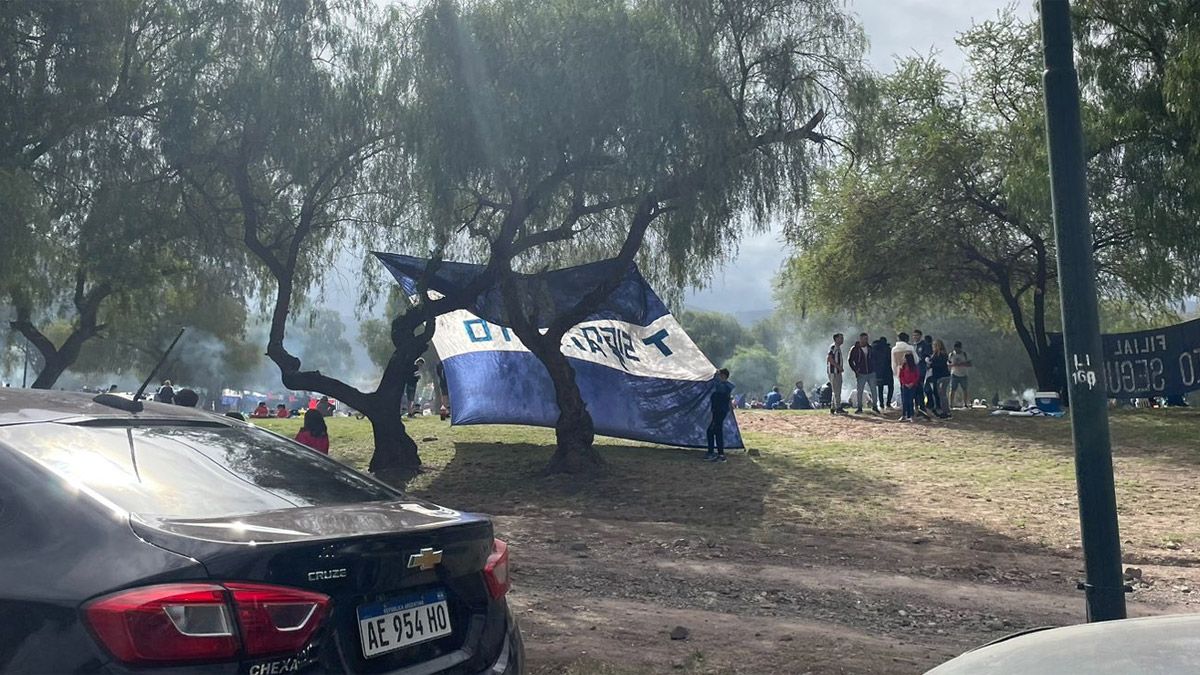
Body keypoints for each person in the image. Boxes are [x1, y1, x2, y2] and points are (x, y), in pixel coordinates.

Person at [705, 369, 735, 463]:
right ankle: (716, 454)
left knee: (714, 431)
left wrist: (715, 375)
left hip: (719, 412)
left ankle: (719, 455)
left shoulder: (724, 386)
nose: (718, 377)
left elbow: (715, 384)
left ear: (723, 376)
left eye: (720, 375)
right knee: (714, 431)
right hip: (719, 411)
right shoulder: (725, 386)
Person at [849, 332, 876, 414]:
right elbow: (850, 360)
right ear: (860, 339)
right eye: (864, 339)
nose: (866, 340)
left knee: (873, 390)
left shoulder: (870, 348)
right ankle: (859, 407)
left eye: (867, 339)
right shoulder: (855, 349)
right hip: (861, 373)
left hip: (871, 372)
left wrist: (874, 368)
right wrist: (855, 370)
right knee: (859, 391)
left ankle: (875, 406)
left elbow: (875, 359)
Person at [929, 339, 952, 418]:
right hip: (937, 376)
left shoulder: (942, 354)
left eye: (934, 346)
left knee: (942, 394)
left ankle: (946, 412)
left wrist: (931, 364)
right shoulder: (935, 354)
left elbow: (940, 365)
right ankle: (940, 409)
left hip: (943, 376)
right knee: (938, 393)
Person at [872, 336, 894, 410]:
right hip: (888, 370)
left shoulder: (874, 349)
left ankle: (881, 404)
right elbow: (891, 360)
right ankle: (888, 403)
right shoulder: (888, 349)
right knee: (891, 387)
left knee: (880, 388)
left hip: (878, 372)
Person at [826, 333, 846, 415]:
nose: (842, 339)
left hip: (837, 372)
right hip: (834, 372)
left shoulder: (837, 348)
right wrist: (838, 367)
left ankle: (833, 407)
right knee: (836, 390)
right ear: (836, 339)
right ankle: (838, 407)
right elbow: (829, 358)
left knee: (836, 390)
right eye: (840, 338)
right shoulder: (833, 347)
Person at [949, 342, 972, 409]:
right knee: (952, 389)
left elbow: (970, 364)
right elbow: (948, 363)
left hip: (963, 374)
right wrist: (953, 365)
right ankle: (951, 404)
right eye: (955, 349)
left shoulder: (965, 354)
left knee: (965, 389)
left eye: (958, 349)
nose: (956, 350)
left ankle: (965, 403)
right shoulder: (951, 354)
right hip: (954, 374)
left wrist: (961, 364)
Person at [898, 353, 921, 422]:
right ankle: (904, 415)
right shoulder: (903, 366)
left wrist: (912, 383)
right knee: (905, 401)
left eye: (905, 358)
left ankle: (911, 415)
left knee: (910, 400)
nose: (904, 359)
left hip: (912, 386)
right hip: (905, 386)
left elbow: (917, 376)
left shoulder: (914, 367)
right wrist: (905, 383)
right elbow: (901, 376)